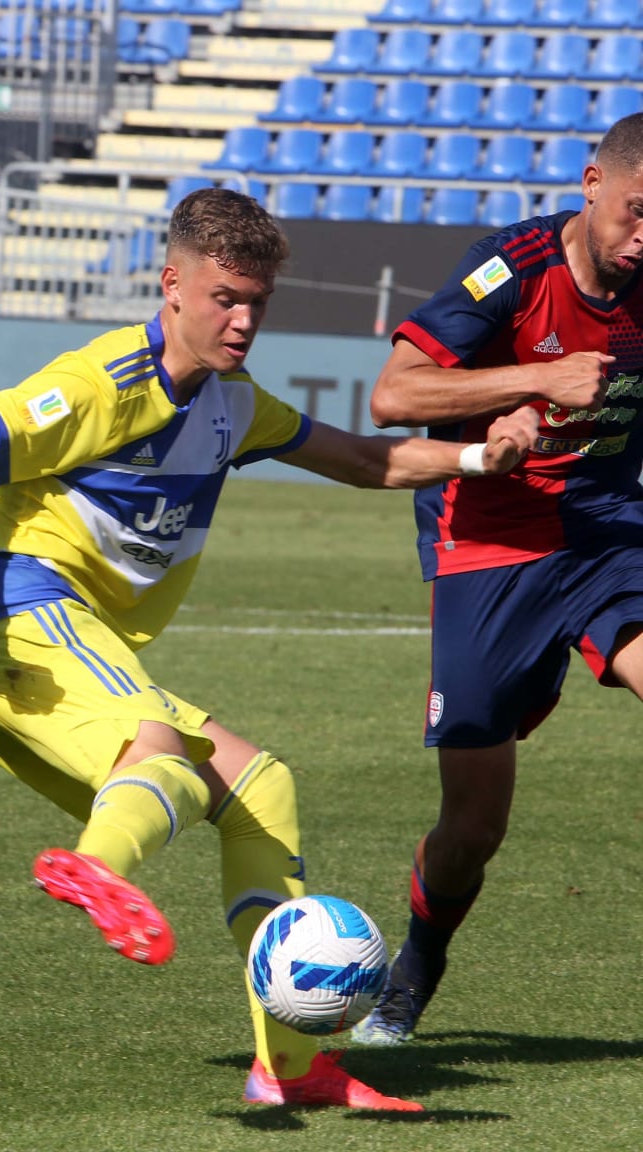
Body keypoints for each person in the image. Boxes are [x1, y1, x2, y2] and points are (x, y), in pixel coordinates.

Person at [0, 187, 536, 1106]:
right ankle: (98, 869)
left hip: (58, 649)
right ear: (173, 284)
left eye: (258, 303)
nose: (242, 320)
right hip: (15, 620)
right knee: (160, 750)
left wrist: (480, 459)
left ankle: (295, 1067)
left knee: (258, 786)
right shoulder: (102, 382)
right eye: (225, 298)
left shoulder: (236, 404)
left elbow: (364, 459)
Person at [350, 112, 643, 1048]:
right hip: (490, 545)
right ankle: (416, 970)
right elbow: (393, 397)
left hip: (608, 534)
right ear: (592, 181)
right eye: (637, 214)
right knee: (472, 828)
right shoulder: (508, 268)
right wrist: (530, 389)